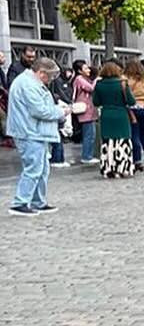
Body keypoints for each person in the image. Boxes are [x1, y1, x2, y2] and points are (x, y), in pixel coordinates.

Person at [5, 55, 63, 214]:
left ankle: (38, 201)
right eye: (50, 76)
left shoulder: (27, 81)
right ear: (42, 72)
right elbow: (40, 111)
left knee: (41, 168)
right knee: (34, 168)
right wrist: (61, 111)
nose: (50, 80)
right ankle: (20, 202)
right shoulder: (29, 85)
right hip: (30, 132)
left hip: (32, 131)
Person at [92, 60, 137, 181]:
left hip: (106, 115)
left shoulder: (99, 84)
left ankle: (109, 168)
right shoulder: (122, 83)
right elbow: (131, 101)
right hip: (121, 115)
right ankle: (123, 168)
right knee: (122, 142)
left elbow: (96, 102)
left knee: (108, 143)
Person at [124, 59, 144, 171]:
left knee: (134, 135)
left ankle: (137, 160)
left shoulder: (128, 81)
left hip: (134, 108)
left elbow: (126, 96)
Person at [71, 60, 98, 164]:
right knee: (89, 134)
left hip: (89, 110)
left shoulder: (85, 79)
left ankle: (88, 154)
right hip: (85, 110)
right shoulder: (79, 79)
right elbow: (90, 88)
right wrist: (96, 80)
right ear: (79, 71)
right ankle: (87, 156)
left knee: (91, 133)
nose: (88, 70)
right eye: (85, 68)